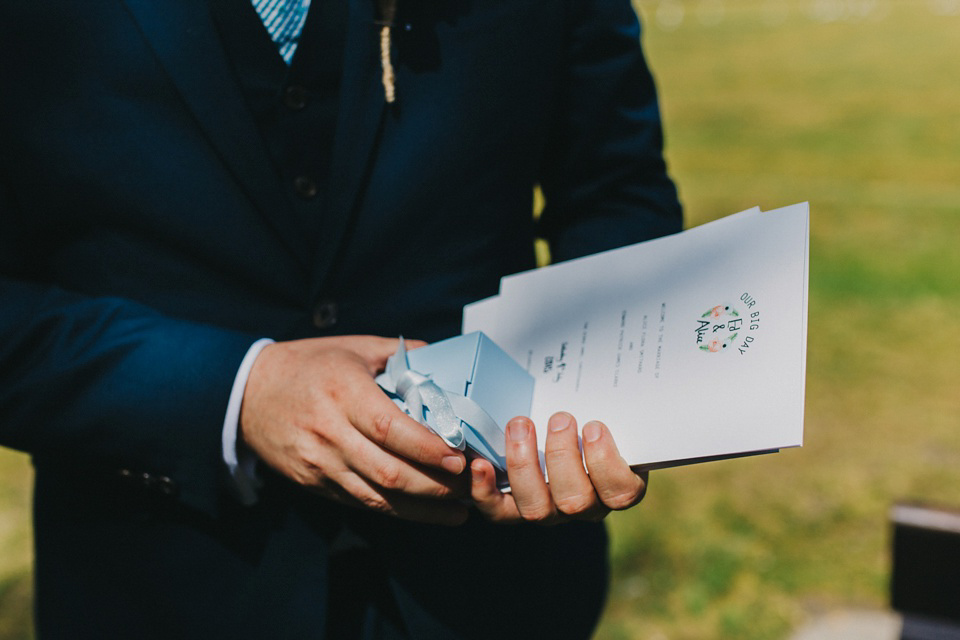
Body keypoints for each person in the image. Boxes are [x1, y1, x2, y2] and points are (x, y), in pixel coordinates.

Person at [0, 0, 682, 638]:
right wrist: (237, 391)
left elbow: (614, 191)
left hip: (496, 582)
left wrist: (585, 408)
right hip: (158, 586)